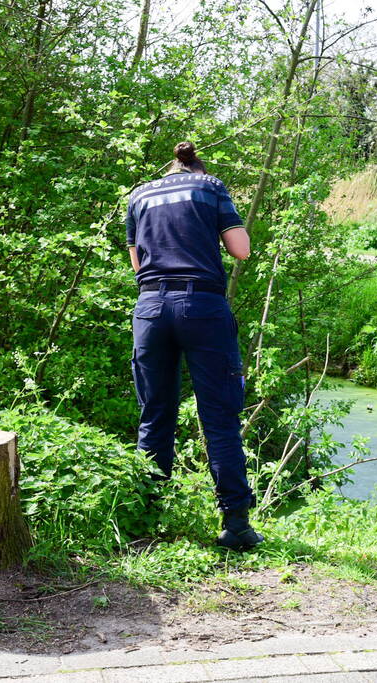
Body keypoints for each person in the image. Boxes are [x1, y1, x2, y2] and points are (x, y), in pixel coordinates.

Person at [126, 141, 262, 551]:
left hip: (149, 309)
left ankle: (147, 520)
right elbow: (241, 250)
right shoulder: (211, 187)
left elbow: (137, 263)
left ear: (169, 169)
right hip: (202, 305)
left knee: (154, 415)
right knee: (219, 417)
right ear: (196, 167)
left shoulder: (139, 195)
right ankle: (236, 525)